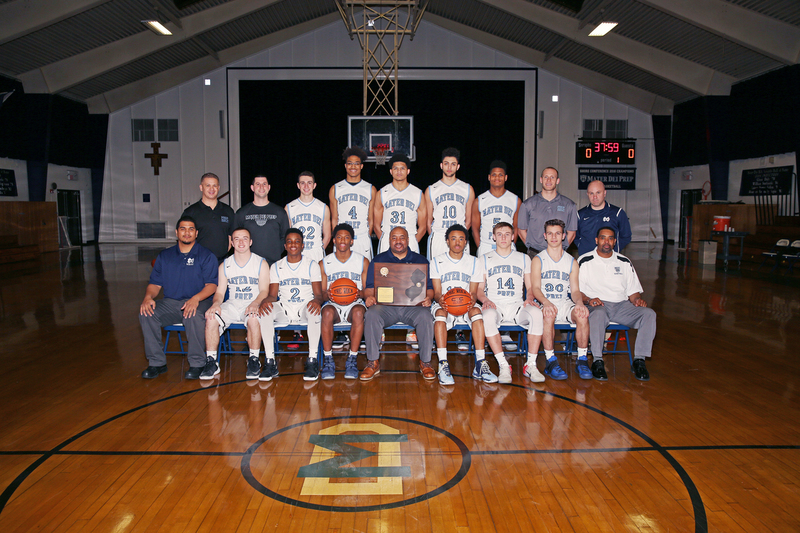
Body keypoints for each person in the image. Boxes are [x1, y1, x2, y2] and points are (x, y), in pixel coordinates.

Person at [139, 216, 218, 379]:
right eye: (183, 229)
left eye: (191, 229)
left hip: (200, 302)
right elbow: (155, 284)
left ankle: (197, 364)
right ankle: (157, 363)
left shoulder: (206, 255)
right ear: (177, 232)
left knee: (192, 314)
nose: (187, 232)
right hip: (172, 303)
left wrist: (195, 299)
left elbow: (212, 286)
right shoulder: (165, 256)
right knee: (146, 312)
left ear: (196, 233)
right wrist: (148, 297)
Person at [578, 227, 655, 381]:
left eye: (610, 238)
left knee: (649, 314)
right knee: (598, 314)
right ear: (596, 240)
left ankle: (639, 361)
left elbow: (633, 291)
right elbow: (576, 291)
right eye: (603, 238)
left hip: (621, 305)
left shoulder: (624, 261)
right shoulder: (585, 261)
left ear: (614, 241)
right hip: (596, 305)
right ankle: (598, 360)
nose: (606, 242)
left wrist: (636, 300)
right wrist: (588, 299)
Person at [360, 227, 435, 381]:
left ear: (408, 240)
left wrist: (429, 298)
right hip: (386, 308)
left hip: (412, 308)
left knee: (426, 316)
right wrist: (369, 297)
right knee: (372, 314)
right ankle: (373, 361)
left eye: (402, 238)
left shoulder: (420, 261)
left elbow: (430, 289)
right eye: (394, 238)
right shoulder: (379, 260)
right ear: (389, 240)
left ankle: (425, 362)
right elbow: (368, 289)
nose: (398, 241)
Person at [479, 222, 544, 384]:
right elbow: (478, 290)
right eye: (499, 234)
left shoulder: (523, 258)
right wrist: (485, 300)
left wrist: (530, 297)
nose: (503, 237)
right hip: (495, 305)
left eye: (507, 234)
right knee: (486, 316)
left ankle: (531, 365)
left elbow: (530, 287)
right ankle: (503, 365)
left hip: (517, 305)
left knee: (537, 313)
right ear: (493, 237)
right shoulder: (484, 259)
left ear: (513, 237)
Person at [201, 227, 269, 380]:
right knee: (211, 317)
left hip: (252, 303)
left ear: (251, 242)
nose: (241, 242)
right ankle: (212, 361)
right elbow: (219, 292)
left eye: (245, 238)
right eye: (237, 239)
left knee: (253, 318)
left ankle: (254, 360)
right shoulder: (225, 265)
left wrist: (256, 303)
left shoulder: (261, 263)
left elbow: (264, 291)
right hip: (232, 304)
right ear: (231, 242)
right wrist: (216, 304)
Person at [257, 229, 324, 381]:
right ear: (285, 246)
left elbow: (319, 295)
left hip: (305, 307)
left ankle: (312, 360)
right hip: (285, 308)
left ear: (302, 245)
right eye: (289, 241)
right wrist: (265, 302)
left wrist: (317, 301)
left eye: (297, 241)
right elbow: (273, 295)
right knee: (266, 311)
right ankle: (270, 361)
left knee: (314, 311)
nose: (293, 244)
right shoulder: (276, 266)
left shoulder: (312, 265)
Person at [530, 219, 591, 381]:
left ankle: (582, 359)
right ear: (545, 236)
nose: (554, 237)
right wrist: (546, 302)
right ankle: (550, 360)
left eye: (558, 233)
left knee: (582, 314)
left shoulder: (571, 261)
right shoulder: (538, 260)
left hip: (564, 303)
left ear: (564, 236)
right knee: (548, 314)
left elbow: (576, 291)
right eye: (550, 233)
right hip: (544, 303)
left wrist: (579, 303)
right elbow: (535, 288)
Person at [430, 224, 488, 385]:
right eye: (453, 238)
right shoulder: (436, 261)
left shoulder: (474, 262)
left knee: (477, 311)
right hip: (445, 305)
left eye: (461, 239)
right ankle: (443, 363)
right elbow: (436, 291)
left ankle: (480, 363)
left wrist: (471, 300)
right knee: (440, 313)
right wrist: (440, 299)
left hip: (465, 305)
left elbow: (474, 292)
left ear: (466, 242)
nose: (457, 242)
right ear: (447, 241)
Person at [319, 224, 370, 380]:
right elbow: (320, 293)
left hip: (355, 303)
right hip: (333, 304)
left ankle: (352, 359)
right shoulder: (324, 263)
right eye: (339, 237)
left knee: (359, 312)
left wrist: (358, 293)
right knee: (326, 312)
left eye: (347, 237)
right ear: (334, 240)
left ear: (352, 241)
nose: (343, 240)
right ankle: (328, 360)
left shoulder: (362, 261)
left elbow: (369, 291)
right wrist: (328, 295)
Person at [425, 147, 476, 260]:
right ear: (441, 165)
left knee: (461, 273)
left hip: (459, 237)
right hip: (439, 236)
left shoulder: (467, 189)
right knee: (436, 274)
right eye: (446, 163)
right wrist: (436, 234)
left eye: (453, 164)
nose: (449, 167)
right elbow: (428, 221)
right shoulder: (431, 189)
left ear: (458, 167)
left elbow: (469, 220)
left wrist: (460, 235)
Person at [518, 167, 578, 259]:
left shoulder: (569, 205)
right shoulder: (527, 204)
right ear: (541, 180)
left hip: (559, 255)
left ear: (557, 181)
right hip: (534, 254)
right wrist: (532, 248)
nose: (549, 180)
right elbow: (521, 230)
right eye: (546, 177)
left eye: (552, 177)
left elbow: (572, 233)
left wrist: (560, 250)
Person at [373, 153, 426, 254]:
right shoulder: (382, 193)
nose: (399, 171)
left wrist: (410, 241)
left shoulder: (418, 193)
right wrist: (387, 241)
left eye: (402, 168)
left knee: (411, 270)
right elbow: (376, 225)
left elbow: (422, 227)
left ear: (408, 171)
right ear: (391, 171)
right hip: (387, 242)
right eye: (396, 168)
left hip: (409, 240)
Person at [329, 146, 377, 260]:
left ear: (361, 166)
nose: (353, 166)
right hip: (342, 239)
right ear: (345, 166)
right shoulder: (335, 189)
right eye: (350, 163)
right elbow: (334, 219)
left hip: (362, 239)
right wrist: (338, 238)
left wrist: (366, 236)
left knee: (364, 274)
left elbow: (371, 219)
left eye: (356, 163)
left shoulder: (370, 189)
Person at [234, 175, 291, 265]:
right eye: (258, 184)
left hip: (274, 264)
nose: (261, 187)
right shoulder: (241, 213)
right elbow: (235, 238)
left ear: (269, 187)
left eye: (264, 184)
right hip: (249, 264)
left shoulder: (280, 212)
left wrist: (275, 254)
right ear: (252, 188)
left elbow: (285, 237)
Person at [181, 172, 235, 261]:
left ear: (218, 188)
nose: (211, 189)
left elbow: (230, 239)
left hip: (221, 262)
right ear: (201, 187)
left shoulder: (228, 211)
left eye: (214, 185)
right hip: (198, 262)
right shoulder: (190, 212)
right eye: (208, 185)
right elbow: (184, 239)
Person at [471, 160, 521, 257]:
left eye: (500, 175)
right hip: (486, 245)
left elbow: (516, 228)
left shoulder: (515, 200)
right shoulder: (479, 200)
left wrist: (510, 244)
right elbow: (475, 228)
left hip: (507, 246)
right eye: (494, 175)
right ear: (489, 177)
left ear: (506, 177)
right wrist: (480, 246)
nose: (497, 177)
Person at [575, 180, 632, 256]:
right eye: (591, 193)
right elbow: (575, 237)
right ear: (587, 194)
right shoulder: (580, 214)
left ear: (604, 193)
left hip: (610, 260)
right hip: (587, 260)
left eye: (598, 192)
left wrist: (614, 250)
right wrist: (583, 248)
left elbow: (626, 236)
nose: (595, 197)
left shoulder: (617, 213)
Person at [285, 171, 331, 263]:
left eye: (309, 183)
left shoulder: (323, 207)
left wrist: (318, 250)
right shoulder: (289, 207)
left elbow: (328, 235)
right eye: (303, 183)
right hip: (297, 254)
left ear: (314, 185)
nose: (306, 186)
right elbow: (286, 236)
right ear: (298, 185)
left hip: (316, 254)